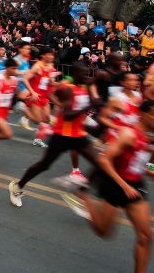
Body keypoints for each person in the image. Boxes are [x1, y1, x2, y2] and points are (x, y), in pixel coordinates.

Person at [56, 100, 154, 273]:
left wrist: (148, 172)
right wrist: (123, 185)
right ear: (143, 114)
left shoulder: (146, 136)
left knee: (147, 236)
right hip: (115, 185)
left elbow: (135, 159)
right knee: (104, 232)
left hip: (136, 186)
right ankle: (84, 197)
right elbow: (104, 159)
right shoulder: (128, 133)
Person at [9, 63, 99, 207]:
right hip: (62, 135)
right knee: (44, 165)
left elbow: (94, 82)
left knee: (100, 164)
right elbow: (68, 115)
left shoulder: (83, 86)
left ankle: (80, 191)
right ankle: (17, 186)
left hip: (79, 134)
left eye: (88, 74)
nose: (87, 77)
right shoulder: (67, 89)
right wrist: (89, 106)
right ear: (75, 75)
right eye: (84, 74)